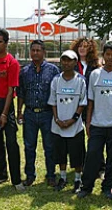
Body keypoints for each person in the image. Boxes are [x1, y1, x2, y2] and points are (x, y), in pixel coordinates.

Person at [77, 42, 112, 199]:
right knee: (92, 156)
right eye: (107, 54)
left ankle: (108, 187)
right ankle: (86, 187)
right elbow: (91, 101)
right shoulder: (95, 74)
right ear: (103, 55)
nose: (110, 57)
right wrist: (88, 123)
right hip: (97, 125)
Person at [0, 28, 25, 191]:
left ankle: (16, 179)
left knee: (11, 143)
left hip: (5, 105)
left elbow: (11, 91)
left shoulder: (12, 63)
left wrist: (4, 114)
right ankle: (0, 175)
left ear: (6, 43)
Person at [17, 39, 60, 187]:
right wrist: (19, 112)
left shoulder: (53, 70)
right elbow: (21, 92)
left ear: (44, 52)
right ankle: (30, 175)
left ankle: (51, 175)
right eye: (33, 50)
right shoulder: (24, 71)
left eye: (38, 50)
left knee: (49, 146)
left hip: (47, 113)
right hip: (29, 113)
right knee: (29, 146)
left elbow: (56, 92)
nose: (35, 53)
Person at [47, 50, 86, 193]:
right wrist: (57, 119)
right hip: (58, 126)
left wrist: (73, 119)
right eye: (63, 60)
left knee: (77, 155)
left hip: (75, 127)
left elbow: (82, 102)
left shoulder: (81, 80)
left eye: (69, 60)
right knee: (60, 154)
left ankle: (77, 179)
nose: (66, 63)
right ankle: (62, 178)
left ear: (75, 62)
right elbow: (53, 102)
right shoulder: (56, 80)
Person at [71, 37, 105, 180]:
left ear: (90, 49)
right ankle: (83, 165)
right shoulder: (71, 64)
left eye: (85, 46)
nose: (82, 49)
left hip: (92, 106)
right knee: (77, 138)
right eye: (80, 46)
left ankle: (101, 166)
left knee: (94, 137)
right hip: (76, 107)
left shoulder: (95, 66)